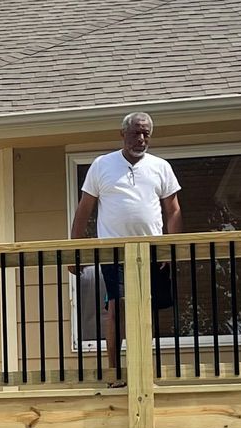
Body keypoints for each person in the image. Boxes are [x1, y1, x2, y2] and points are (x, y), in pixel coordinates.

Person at [70, 111, 182, 381]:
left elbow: (173, 210)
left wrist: (171, 248)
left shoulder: (161, 167)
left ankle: (143, 370)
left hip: (151, 251)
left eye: (145, 133)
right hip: (114, 251)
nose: (141, 138)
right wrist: (75, 251)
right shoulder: (101, 165)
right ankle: (115, 372)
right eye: (135, 132)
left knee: (148, 307)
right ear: (122, 134)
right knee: (117, 307)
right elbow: (84, 210)